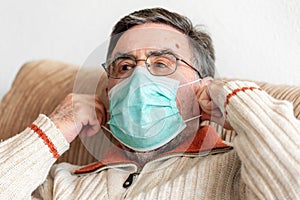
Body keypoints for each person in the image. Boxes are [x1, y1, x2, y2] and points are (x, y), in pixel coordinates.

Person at [0, 7, 299, 199]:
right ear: (107, 93)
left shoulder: (240, 172)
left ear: (202, 87)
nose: (138, 79)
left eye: (162, 63)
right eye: (125, 67)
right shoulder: (63, 183)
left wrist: (236, 99)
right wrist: (55, 128)